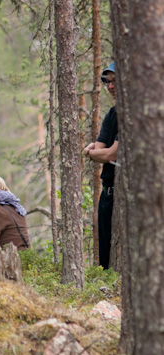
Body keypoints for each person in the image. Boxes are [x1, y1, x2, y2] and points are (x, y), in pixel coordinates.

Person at [83, 62, 119, 269]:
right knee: (106, 257)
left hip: (126, 197)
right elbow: (101, 149)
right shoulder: (112, 114)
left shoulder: (134, 115)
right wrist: (96, 152)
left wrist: (89, 152)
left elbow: (110, 153)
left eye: (114, 80)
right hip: (106, 195)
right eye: (107, 81)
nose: (110, 86)